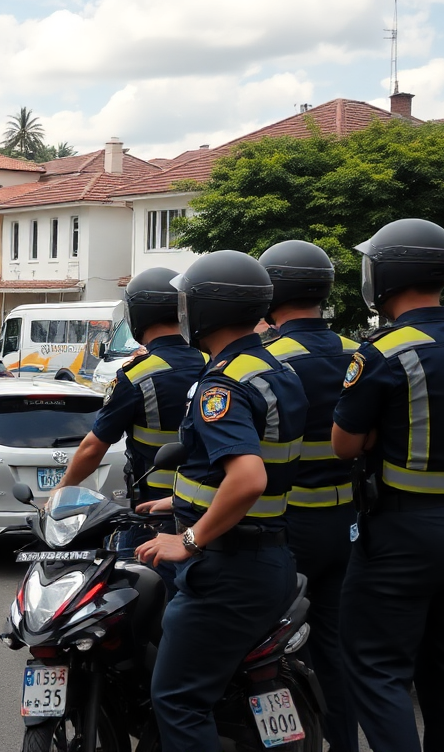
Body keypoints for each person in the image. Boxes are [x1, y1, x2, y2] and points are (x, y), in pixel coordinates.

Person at [332, 219, 444, 752]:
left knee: (376, 666)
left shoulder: (382, 352)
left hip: (404, 531)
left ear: (386, 275)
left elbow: (344, 444)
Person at [134, 250, 306, 751]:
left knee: (178, 699)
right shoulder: (273, 368)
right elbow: (246, 469)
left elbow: (248, 477)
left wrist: (189, 538)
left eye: (187, 303)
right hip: (268, 555)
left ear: (208, 308)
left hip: (228, 569)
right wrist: (179, 504)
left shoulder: (223, 383)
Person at [257, 240, 359, 751]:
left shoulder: (266, 361)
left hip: (285, 525)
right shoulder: (359, 353)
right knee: (335, 649)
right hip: (348, 522)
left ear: (270, 293)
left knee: (265, 650)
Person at [59, 267, 205, 593]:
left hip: (153, 511)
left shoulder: (136, 375)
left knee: (132, 593)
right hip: (208, 506)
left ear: (137, 315)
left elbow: (93, 447)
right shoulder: (213, 363)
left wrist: (62, 490)